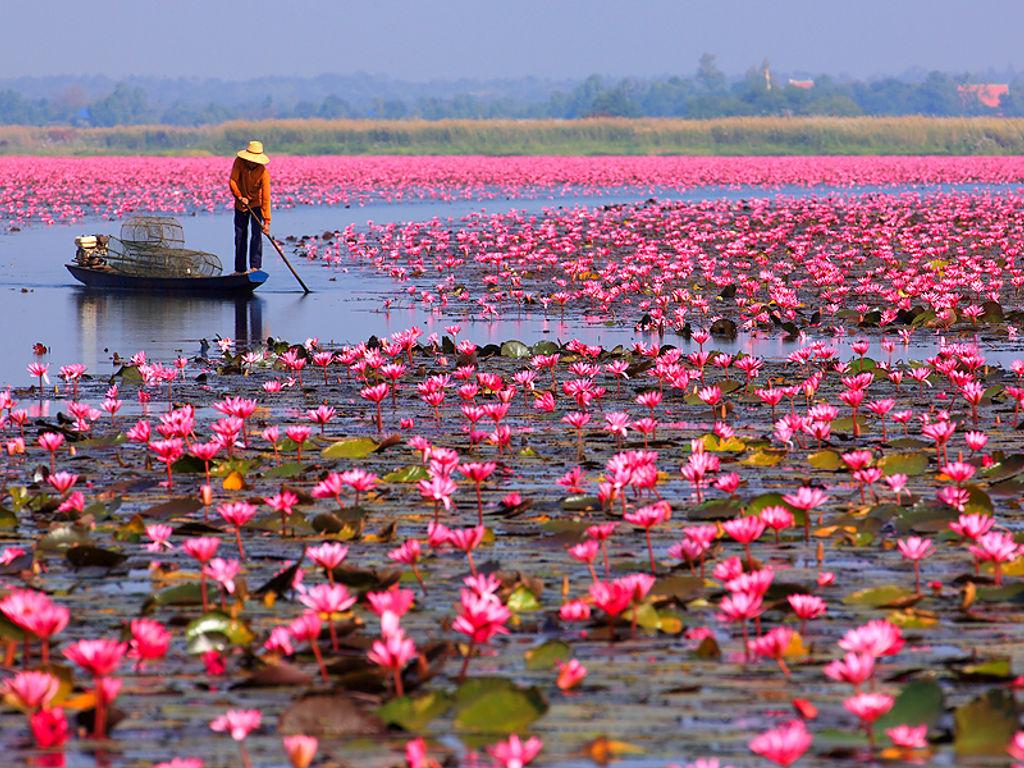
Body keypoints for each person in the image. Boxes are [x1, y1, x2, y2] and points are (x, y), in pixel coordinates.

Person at [228, 140, 271, 273]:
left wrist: (267, 222)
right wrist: (240, 197)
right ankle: (240, 270)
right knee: (240, 236)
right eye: (251, 159)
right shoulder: (239, 162)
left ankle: (255, 267)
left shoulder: (263, 173)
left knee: (256, 234)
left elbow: (266, 198)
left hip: (256, 205)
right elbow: (233, 181)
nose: (252, 162)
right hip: (240, 204)